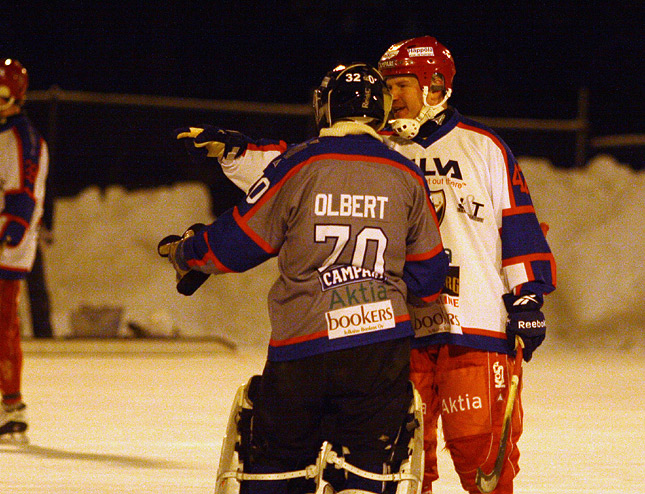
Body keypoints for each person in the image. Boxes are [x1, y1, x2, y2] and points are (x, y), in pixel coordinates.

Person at [175, 36, 556, 494]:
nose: (391, 98)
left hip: (473, 328)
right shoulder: (382, 148)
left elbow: (518, 225)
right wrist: (240, 154)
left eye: (401, 85)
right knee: (410, 466)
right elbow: (302, 165)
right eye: (387, 87)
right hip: (404, 330)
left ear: (435, 85)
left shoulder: (485, 148)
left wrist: (528, 294)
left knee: (481, 459)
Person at [161, 63, 449, 494]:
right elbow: (428, 277)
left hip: (303, 352)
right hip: (380, 356)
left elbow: (233, 245)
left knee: (277, 467)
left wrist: (186, 252)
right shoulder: (406, 174)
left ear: (327, 107)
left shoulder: (298, 164)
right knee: (369, 473)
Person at [0, 58, 49, 441]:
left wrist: (8, 237)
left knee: (4, 326)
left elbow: (22, 202)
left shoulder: (23, 140)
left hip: (5, 250)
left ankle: (11, 406)